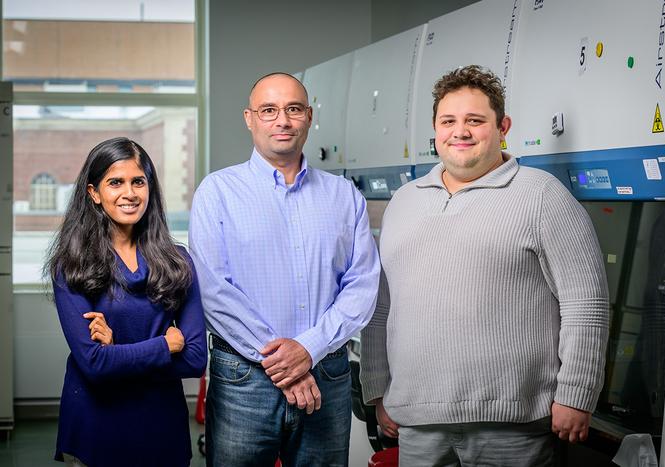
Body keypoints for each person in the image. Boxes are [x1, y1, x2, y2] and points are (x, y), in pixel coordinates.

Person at [360, 65, 609, 466]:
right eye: (449, 121)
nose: (460, 131)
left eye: (475, 120)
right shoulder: (404, 201)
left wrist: (576, 394)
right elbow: (380, 306)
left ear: (502, 126)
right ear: (435, 128)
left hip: (513, 426)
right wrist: (377, 388)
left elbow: (586, 303)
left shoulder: (543, 196)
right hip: (419, 422)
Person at [188, 72, 380, 467]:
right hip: (244, 380)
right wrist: (286, 363)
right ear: (249, 118)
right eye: (269, 110)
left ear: (308, 117)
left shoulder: (344, 196)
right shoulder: (217, 192)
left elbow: (362, 285)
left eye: (293, 109)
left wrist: (308, 349)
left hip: (326, 374)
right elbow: (212, 290)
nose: (282, 121)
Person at [46, 137, 207, 467]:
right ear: (94, 193)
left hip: (161, 425)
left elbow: (194, 359)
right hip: (96, 425)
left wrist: (118, 348)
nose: (129, 193)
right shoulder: (72, 263)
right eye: (115, 182)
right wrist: (164, 344)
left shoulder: (178, 261)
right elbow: (94, 366)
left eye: (138, 181)